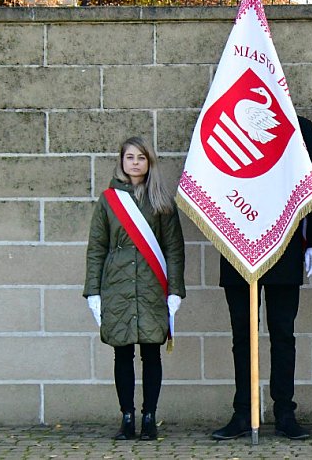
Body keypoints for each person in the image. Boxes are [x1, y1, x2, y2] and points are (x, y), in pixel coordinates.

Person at [212, 115, 312, 441]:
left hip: (284, 244)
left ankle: (284, 412)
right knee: (242, 335)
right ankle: (243, 412)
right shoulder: (227, 119)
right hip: (237, 241)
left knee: (282, 333)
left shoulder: (299, 126)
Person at [84, 136, 186, 441]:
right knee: (122, 352)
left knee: (152, 352)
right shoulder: (109, 200)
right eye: (130, 157)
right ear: (122, 161)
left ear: (149, 161)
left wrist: (175, 290)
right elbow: (96, 248)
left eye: (141, 157)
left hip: (152, 286)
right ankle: (127, 416)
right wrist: (93, 291)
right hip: (116, 286)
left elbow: (174, 249)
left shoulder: (161, 200)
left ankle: (149, 416)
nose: (135, 163)